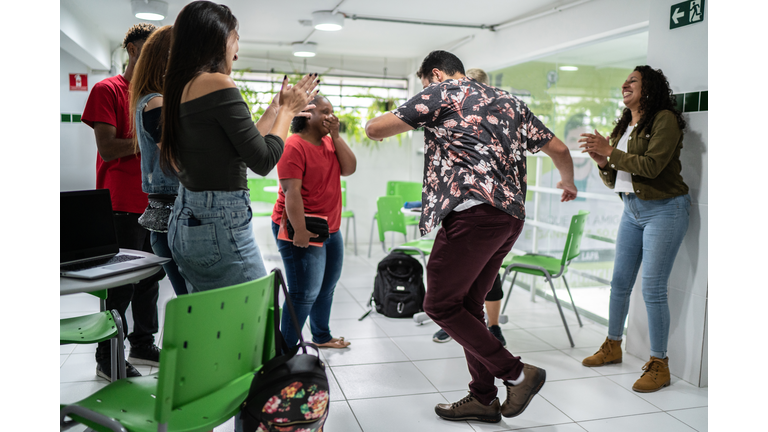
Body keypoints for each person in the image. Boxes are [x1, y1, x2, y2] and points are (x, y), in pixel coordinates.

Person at [366, 50, 577, 424]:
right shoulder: (509, 101)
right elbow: (559, 149)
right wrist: (568, 181)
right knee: (467, 307)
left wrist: (412, 112)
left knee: (440, 305)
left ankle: (516, 373)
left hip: (472, 214)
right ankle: (482, 398)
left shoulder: (442, 91)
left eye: (425, 85)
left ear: (435, 74)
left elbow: (375, 129)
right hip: (508, 217)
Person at [160, 1, 318, 294]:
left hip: (187, 218)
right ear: (218, 39)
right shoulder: (218, 83)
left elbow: (239, 151)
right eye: (236, 39)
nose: (237, 50)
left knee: (214, 322)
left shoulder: (180, 86)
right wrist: (286, 114)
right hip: (219, 222)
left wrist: (275, 110)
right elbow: (263, 160)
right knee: (254, 319)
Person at [578, 65, 690, 393]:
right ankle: (613, 345)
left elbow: (652, 167)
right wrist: (602, 161)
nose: (625, 84)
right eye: (625, 80)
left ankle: (659, 363)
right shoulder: (627, 123)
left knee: (652, 288)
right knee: (619, 283)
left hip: (665, 209)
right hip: (631, 209)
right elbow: (616, 176)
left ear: (649, 88)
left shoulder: (664, 119)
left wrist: (611, 152)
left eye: (633, 81)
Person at [81, 22, 163, 381]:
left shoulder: (158, 96)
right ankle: (106, 356)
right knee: (122, 284)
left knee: (150, 280)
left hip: (157, 201)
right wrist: (150, 140)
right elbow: (107, 147)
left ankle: (142, 344)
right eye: (152, 50)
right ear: (132, 50)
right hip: (122, 202)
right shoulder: (108, 89)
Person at [270, 94, 357, 349]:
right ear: (307, 116)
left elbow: (350, 168)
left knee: (326, 286)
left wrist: (337, 137)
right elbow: (291, 193)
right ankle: (284, 350)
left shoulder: (330, 142)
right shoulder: (293, 145)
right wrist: (299, 231)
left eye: (332, 111)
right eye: (325, 111)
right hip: (299, 225)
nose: (331, 116)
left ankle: (321, 336)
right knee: (304, 292)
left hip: (329, 227)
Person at [432, 67, 506, 347]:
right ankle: (461, 323)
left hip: (489, 207)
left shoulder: (494, 118)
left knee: (486, 273)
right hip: (467, 207)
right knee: (466, 277)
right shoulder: (456, 117)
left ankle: (492, 327)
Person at [128, 25, 187, 297]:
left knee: (192, 302)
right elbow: (177, 162)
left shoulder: (154, 100)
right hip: (171, 219)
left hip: (169, 218)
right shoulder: (155, 102)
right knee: (194, 304)